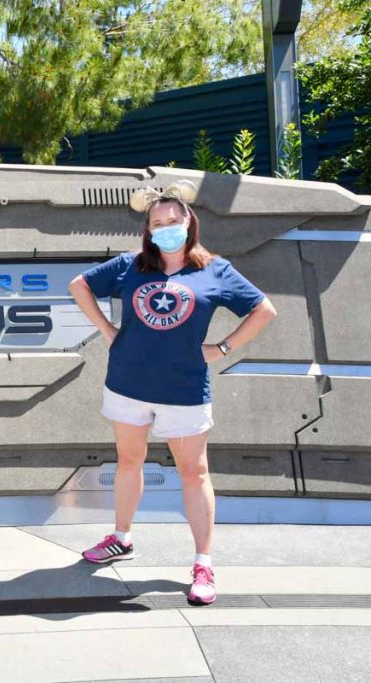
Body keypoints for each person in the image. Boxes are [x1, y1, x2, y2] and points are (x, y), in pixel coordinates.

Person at [67, 179, 277, 605]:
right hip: (128, 384)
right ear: (148, 230)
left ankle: (203, 563)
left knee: (194, 474)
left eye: (172, 220)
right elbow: (80, 286)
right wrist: (108, 331)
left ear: (189, 223)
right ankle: (121, 538)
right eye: (156, 223)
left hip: (183, 390)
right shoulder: (131, 265)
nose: (165, 228)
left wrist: (222, 348)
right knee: (129, 461)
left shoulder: (214, 270)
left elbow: (263, 309)